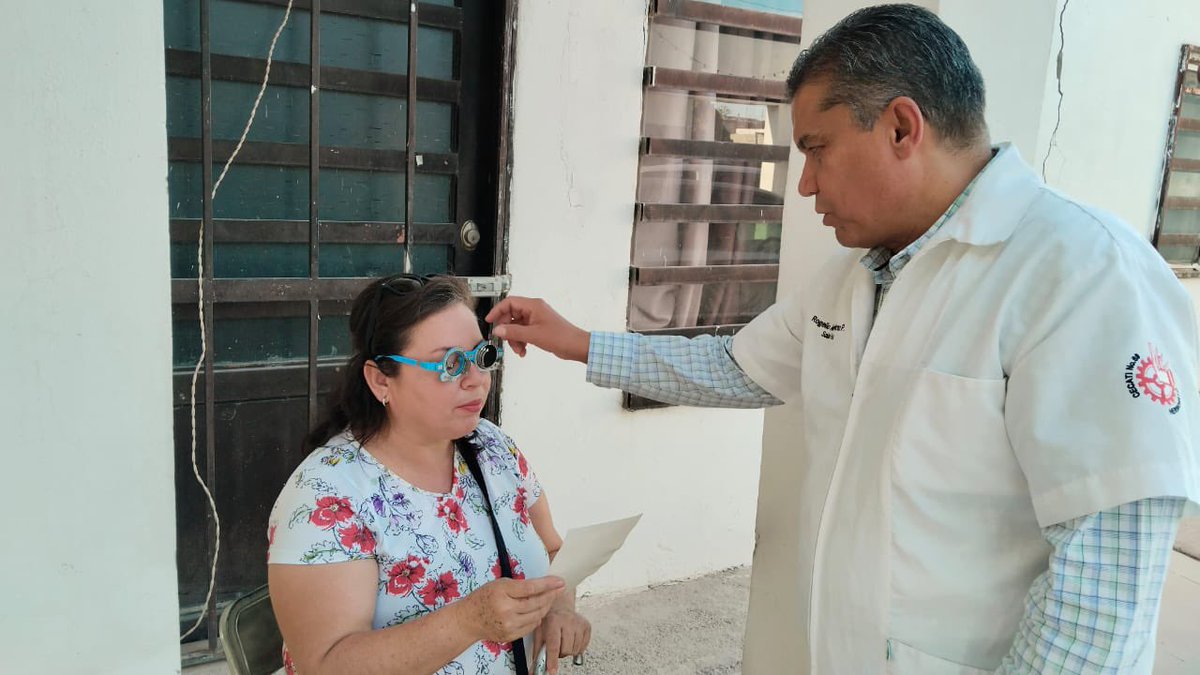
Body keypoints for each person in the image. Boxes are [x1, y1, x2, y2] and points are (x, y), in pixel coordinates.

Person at [486, 5, 1200, 674]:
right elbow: (734, 367)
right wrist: (577, 341)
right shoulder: (853, 279)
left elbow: (1100, 585)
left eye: (816, 149)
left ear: (900, 127)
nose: (803, 187)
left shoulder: (1079, 273)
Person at [268, 274, 590, 675]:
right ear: (381, 379)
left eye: (481, 356)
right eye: (450, 363)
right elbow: (327, 664)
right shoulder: (328, 495)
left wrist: (559, 607)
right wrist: (467, 620)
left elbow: (554, 551)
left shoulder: (491, 448)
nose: (476, 379)